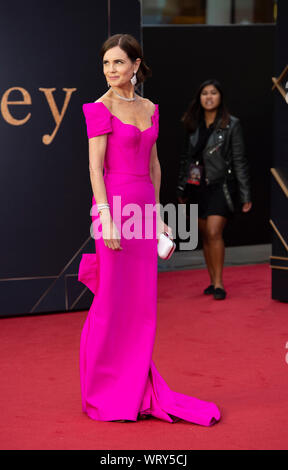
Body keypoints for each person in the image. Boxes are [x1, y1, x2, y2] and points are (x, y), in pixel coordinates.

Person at [78, 34, 220, 425]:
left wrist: (157, 218)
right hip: (114, 208)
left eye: (118, 63)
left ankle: (137, 384)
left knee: (141, 306)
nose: (111, 70)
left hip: (143, 208)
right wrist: (105, 217)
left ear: (136, 66)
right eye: (106, 63)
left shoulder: (151, 108)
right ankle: (104, 390)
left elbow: (155, 166)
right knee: (111, 300)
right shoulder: (98, 109)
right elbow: (95, 168)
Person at [177, 79, 252, 300]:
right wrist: (182, 187)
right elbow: (185, 159)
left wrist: (245, 194)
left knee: (213, 232)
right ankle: (212, 281)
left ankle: (219, 284)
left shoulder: (232, 124)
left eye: (213, 93)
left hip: (221, 186)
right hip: (197, 187)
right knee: (205, 236)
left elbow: (240, 160)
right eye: (204, 93)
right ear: (199, 98)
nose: (209, 97)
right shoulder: (192, 123)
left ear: (220, 97)